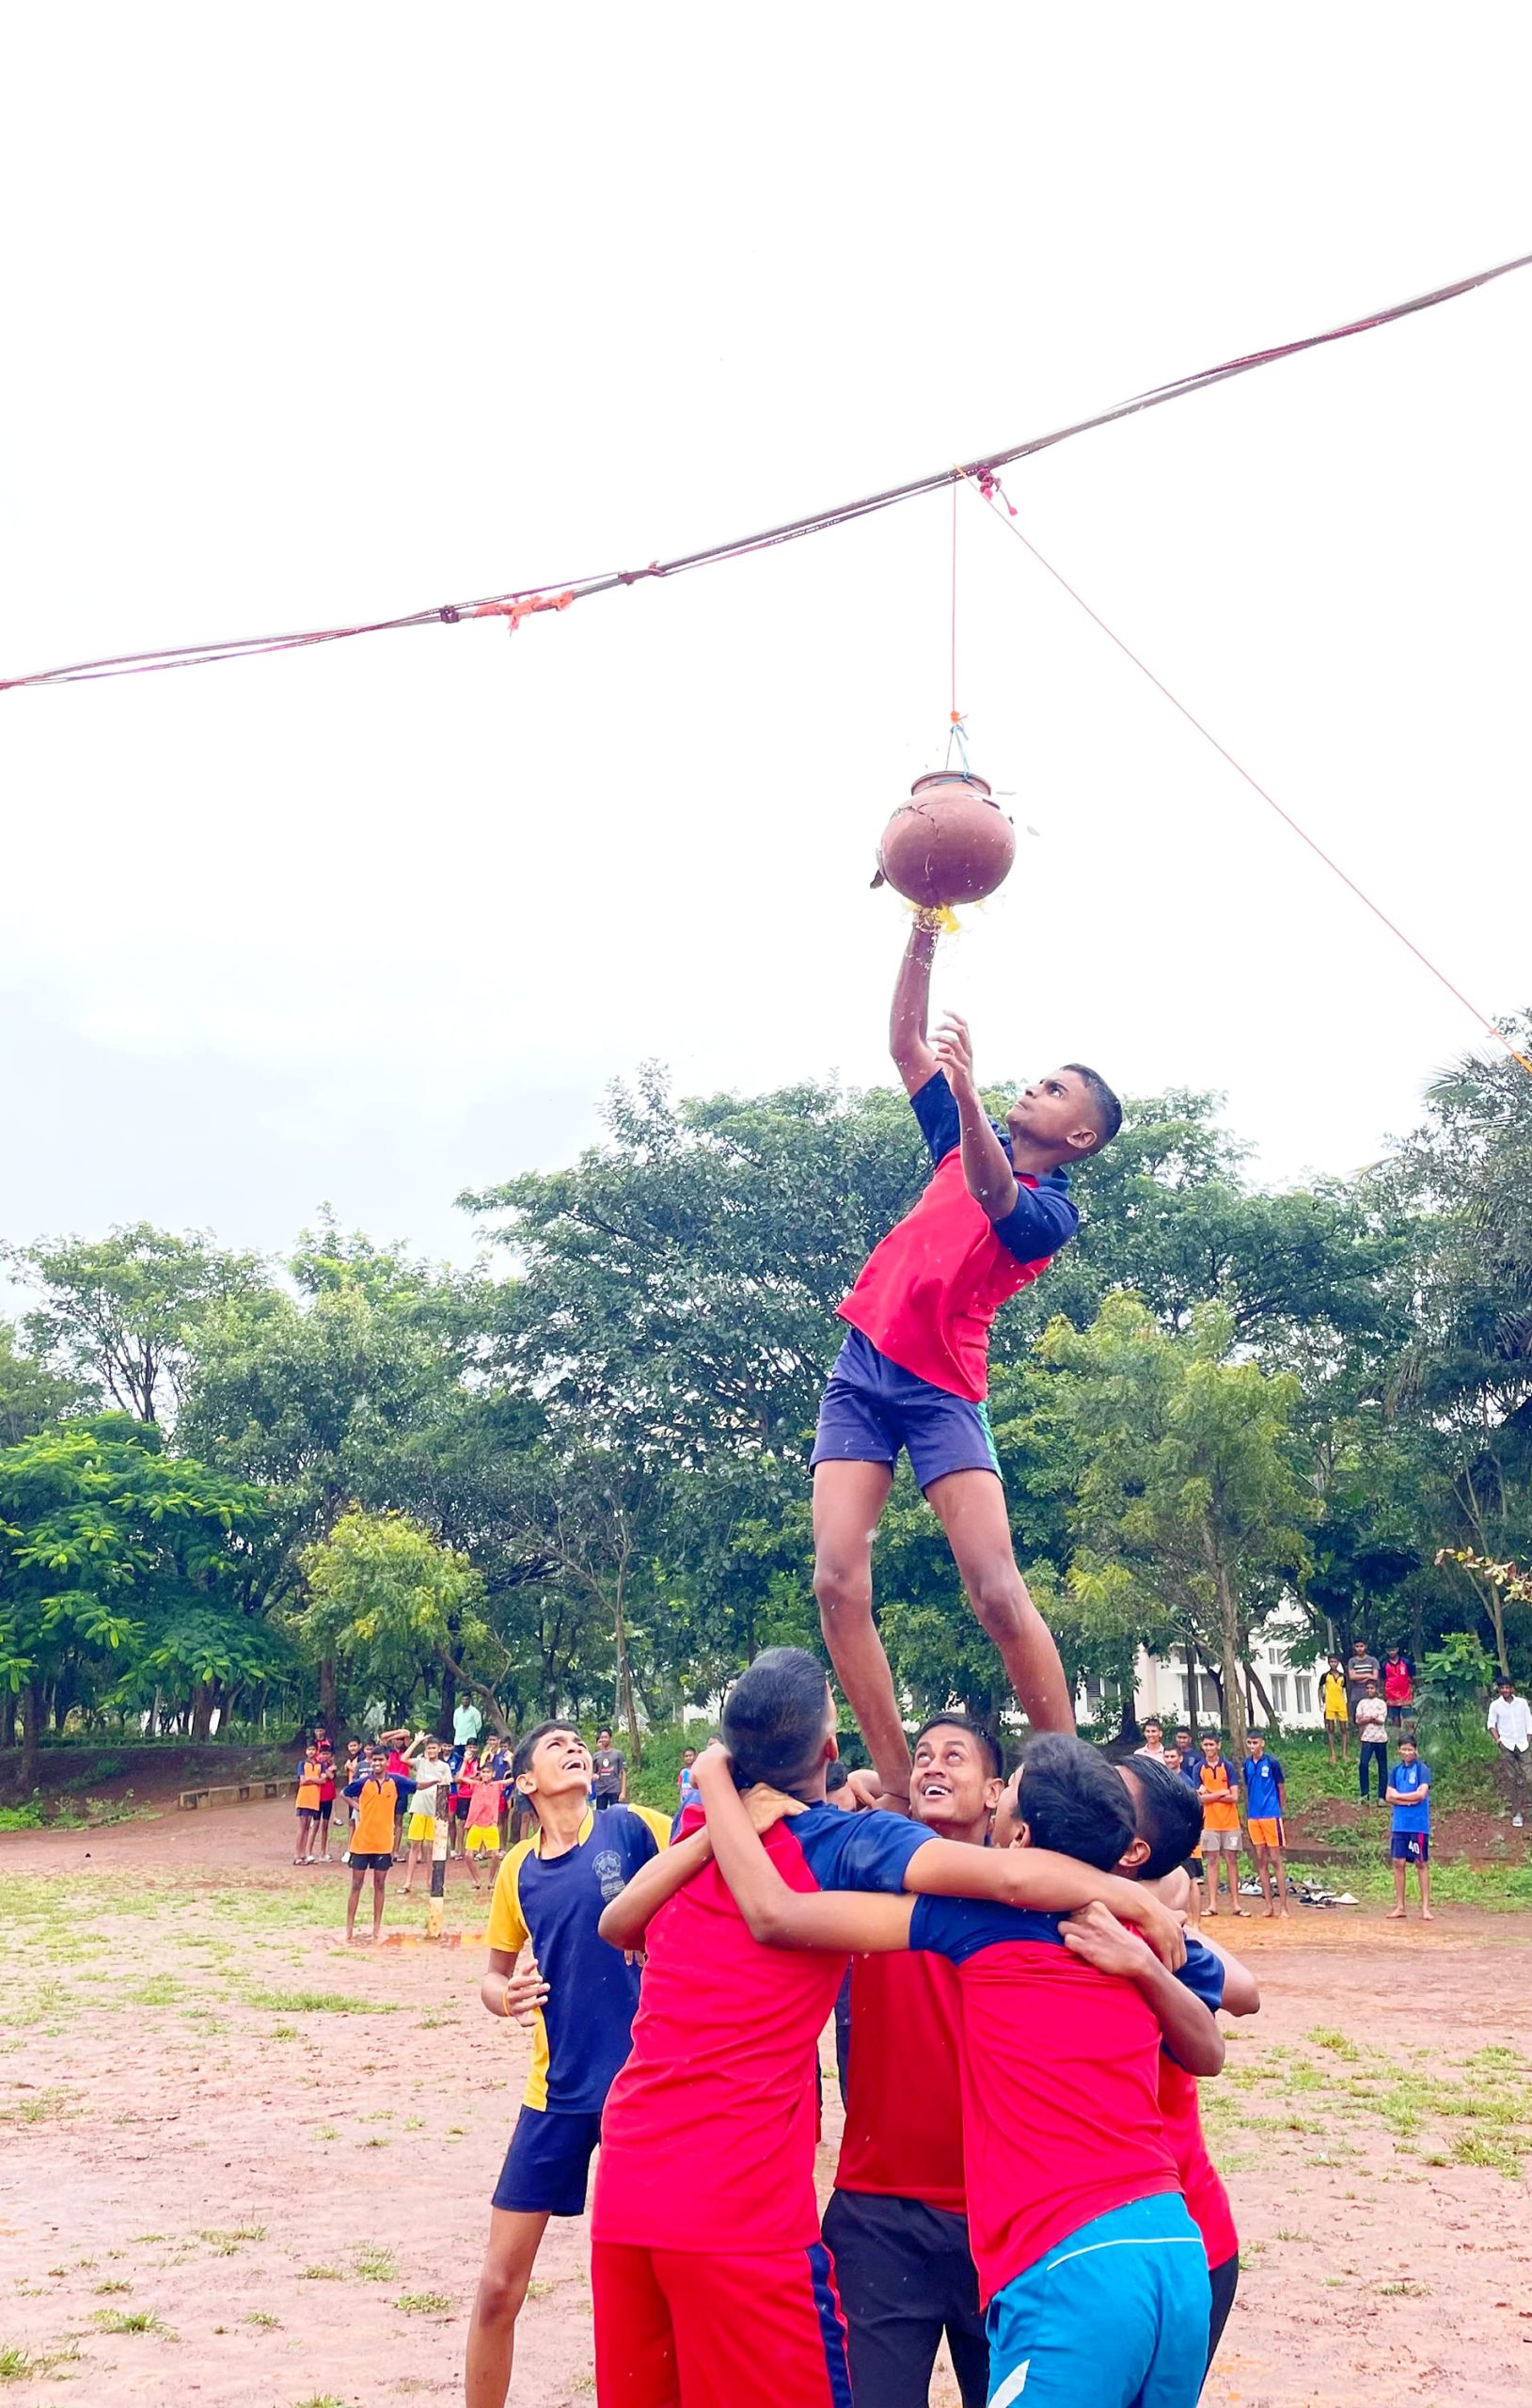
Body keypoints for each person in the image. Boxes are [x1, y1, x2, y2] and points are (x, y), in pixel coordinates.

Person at [589, 1648, 1182, 2408]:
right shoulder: (845, 1846)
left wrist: (714, 1786)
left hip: (632, 2173)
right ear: (830, 1751)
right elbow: (1004, 1877)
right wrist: (1133, 1897)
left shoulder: (709, 1820)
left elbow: (619, 1923)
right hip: (738, 2203)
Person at [811, 912, 1121, 1793]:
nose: (1038, 1088)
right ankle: (905, 1783)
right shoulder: (955, 1138)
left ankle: (1067, 1789)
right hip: (862, 1372)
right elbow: (905, 1041)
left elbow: (993, 1194)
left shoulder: (1051, 1209)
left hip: (945, 1391)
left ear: (1081, 1138)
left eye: (1056, 1091)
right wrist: (922, 919)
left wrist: (974, 1096)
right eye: (1040, 1080)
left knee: (992, 1587)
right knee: (837, 1580)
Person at [465, 1723, 670, 2408]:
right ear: (525, 1781)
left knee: (659, 2285)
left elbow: (717, 1853)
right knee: (497, 2287)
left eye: (577, 1742)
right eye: (554, 1745)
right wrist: (506, 1997)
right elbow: (491, 1978)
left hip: (643, 2091)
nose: (573, 1748)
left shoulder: (634, 1828)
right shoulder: (516, 1870)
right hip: (554, 2094)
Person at [825, 1716, 1004, 2408]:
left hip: (1004, 2217)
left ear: (994, 1792)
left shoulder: (1030, 1886)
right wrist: (847, 1794)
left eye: (953, 1756)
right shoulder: (869, 1877)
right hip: (879, 2214)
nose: (932, 1765)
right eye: (922, 1755)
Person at [1114, 1754, 1260, 2388]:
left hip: (1182, 2236)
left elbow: (1245, 1992)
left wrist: (1175, 1924)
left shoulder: (1150, 1936)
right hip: (1108, 2239)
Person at [342, 1746, 413, 1943]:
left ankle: (376, 1928)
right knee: (356, 1884)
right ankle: (348, 1928)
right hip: (362, 1842)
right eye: (374, 1760)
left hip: (383, 1843)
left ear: (387, 1761)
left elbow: (417, 1785)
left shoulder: (396, 1781)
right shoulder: (363, 1782)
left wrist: (438, 1781)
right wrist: (358, 1806)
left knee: (380, 1885)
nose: (377, 1763)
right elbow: (344, 1793)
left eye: (380, 1760)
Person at [1240, 1734, 1288, 1918]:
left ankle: (1284, 1906)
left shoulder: (1272, 1763)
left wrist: (1278, 1811)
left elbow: (1281, 1788)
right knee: (1260, 1859)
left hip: (1270, 1814)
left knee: (1275, 1859)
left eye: (1255, 1742)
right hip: (1254, 1816)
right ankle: (1269, 1905)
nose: (1252, 1746)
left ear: (1262, 1743)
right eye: (1249, 1742)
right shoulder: (1246, 1764)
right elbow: (1247, 1788)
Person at [1195, 1735, 1244, 1917]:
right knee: (1212, 1861)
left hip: (1230, 1822)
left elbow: (1234, 1797)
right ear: (1202, 1746)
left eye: (1212, 1744)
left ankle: (1236, 1904)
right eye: (1206, 1744)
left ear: (1218, 1745)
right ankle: (1212, 1904)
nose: (1209, 1748)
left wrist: (1211, 1794)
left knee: (1232, 1860)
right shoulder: (1198, 1768)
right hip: (1210, 1822)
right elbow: (1199, 1798)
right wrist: (1222, 1792)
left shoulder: (1228, 1767)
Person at [1385, 1738, 1432, 1920]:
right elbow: (1388, 1796)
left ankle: (1425, 1908)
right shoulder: (1395, 1771)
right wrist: (1408, 1800)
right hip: (1400, 1824)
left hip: (1418, 1824)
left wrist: (1400, 1797)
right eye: (1403, 1749)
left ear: (1416, 1751)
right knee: (1398, 1863)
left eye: (1410, 1749)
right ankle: (1400, 1906)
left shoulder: (1422, 1769)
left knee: (1420, 1863)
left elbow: (1421, 1794)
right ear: (1398, 1751)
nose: (1407, 1753)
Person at [400, 1736, 449, 1896]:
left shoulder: (444, 1767)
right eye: (429, 1748)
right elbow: (404, 1758)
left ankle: (430, 1881)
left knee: (430, 1848)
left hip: (434, 1811)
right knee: (415, 1846)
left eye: (434, 1748)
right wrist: (416, 1742)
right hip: (419, 1809)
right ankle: (408, 1881)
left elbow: (447, 1786)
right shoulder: (421, 1762)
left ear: (439, 1749)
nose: (431, 1751)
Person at [1487, 1675, 1530, 1827]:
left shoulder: (1522, 1703)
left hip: (1523, 1745)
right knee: (1512, 1779)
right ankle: (1517, 1813)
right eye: (1502, 1688)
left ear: (1512, 1688)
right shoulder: (1495, 1706)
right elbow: (1491, 1725)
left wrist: (1528, 1739)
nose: (1505, 1690)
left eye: (1507, 1687)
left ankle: (1528, 1808)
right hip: (1507, 1745)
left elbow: (1529, 1722)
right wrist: (1498, 1741)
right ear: (1499, 1689)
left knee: (1528, 1777)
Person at [465, 1755, 510, 1891]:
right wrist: (466, 1761)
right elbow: (461, 1778)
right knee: (468, 1855)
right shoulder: (476, 1785)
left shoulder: (497, 1785)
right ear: (480, 1773)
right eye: (483, 1772)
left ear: (493, 1774)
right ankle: (476, 1880)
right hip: (476, 1824)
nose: (485, 1774)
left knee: (495, 1855)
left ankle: (491, 1881)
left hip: (491, 1824)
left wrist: (511, 1762)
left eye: (488, 1772)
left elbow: (513, 1778)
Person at [1355, 1678, 1389, 1804]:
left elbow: (1381, 1720)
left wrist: (1366, 1718)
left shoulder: (1381, 1703)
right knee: (1363, 1764)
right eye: (1368, 1688)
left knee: (1382, 1766)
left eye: (1372, 1688)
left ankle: (1382, 1796)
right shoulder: (1362, 1703)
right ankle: (1365, 1794)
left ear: (1377, 1690)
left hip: (1380, 1738)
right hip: (1366, 1738)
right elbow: (1358, 1720)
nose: (1370, 1690)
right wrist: (1371, 1718)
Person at [293, 1744, 325, 1865]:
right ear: (306, 1751)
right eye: (309, 1749)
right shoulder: (302, 1764)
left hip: (314, 1799)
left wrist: (309, 1780)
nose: (311, 1752)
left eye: (313, 1749)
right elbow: (302, 1780)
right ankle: (297, 1854)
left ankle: (304, 1854)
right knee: (302, 1827)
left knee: (307, 1827)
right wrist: (315, 1780)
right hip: (304, 1798)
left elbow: (323, 1780)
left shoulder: (320, 1765)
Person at [1320, 1657, 1350, 1765]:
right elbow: (1320, 1688)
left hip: (1341, 1704)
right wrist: (1321, 1700)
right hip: (1330, 1704)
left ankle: (1344, 1754)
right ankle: (1332, 1754)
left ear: (1338, 1663)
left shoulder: (1343, 1676)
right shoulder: (1325, 1676)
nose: (1333, 1664)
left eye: (1335, 1662)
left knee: (1343, 1728)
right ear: (1328, 1663)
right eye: (1331, 1662)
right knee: (1331, 1728)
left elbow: (1345, 1690)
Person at [1346, 1639, 1381, 1723]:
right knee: (1357, 1716)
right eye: (1357, 1646)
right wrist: (1368, 1675)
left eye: (1361, 1646)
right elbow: (1352, 1677)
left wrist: (1360, 1677)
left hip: (1370, 1689)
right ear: (1354, 1647)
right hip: (1356, 1690)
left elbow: (1375, 1677)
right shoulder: (1352, 1661)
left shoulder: (1373, 1660)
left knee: (1372, 1713)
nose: (1359, 1649)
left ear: (1365, 1647)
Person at [592, 1729, 626, 1811]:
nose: (603, 1739)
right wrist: (593, 1776)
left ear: (610, 1738)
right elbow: (592, 1772)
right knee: (601, 1815)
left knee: (616, 1814)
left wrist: (623, 1792)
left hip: (614, 1789)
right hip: (601, 1790)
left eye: (606, 1737)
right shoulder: (596, 1756)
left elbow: (623, 1772)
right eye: (602, 1737)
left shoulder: (618, 1754)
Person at [1382, 1646, 1414, 1728]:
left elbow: (1412, 1677)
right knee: (1395, 1721)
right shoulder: (1384, 1664)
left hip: (1406, 1695)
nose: (1391, 1652)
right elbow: (1383, 1679)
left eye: (1393, 1650)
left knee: (1409, 1720)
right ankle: (1397, 1739)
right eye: (1389, 1650)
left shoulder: (1406, 1662)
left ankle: (1410, 1739)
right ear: (1386, 1651)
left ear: (1397, 1649)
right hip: (1391, 1695)